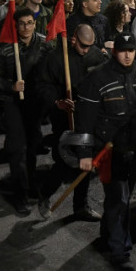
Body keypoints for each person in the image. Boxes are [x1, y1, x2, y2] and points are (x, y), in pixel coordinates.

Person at [75, 32, 136, 270]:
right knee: (119, 198)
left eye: (132, 50)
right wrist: (84, 153)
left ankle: (108, 234)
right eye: (123, 50)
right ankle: (120, 251)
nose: (128, 55)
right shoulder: (97, 78)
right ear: (114, 51)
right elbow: (85, 119)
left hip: (135, 148)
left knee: (122, 197)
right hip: (109, 148)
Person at [35, 23, 105, 221]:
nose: (86, 50)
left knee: (85, 161)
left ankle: (80, 206)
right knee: (65, 161)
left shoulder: (96, 57)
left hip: (88, 117)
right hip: (64, 117)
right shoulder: (56, 59)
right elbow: (42, 85)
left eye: (90, 46)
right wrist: (57, 102)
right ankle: (46, 193)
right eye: (83, 45)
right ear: (73, 39)